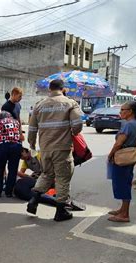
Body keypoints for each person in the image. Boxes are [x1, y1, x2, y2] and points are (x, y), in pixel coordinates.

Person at [27, 79, 83, 221]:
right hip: (62, 148)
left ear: (50, 89)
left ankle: (34, 200)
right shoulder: (70, 103)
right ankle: (61, 212)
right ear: (62, 88)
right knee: (63, 178)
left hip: (45, 149)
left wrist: (32, 145)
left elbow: (32, 129)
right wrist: (72, 132)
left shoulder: (39, 105)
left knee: (46, 174)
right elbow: (77, 125)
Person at [107, 102, 136, 222]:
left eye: (123, 109)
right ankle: (123, 209)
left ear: (130, 111)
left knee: (122, 184)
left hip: (123, 156)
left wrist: (111, 154)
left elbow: (119, 143)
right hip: (129, 155)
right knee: (125, 182)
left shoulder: (128, 124)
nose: (121, 112)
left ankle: (124, 214)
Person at [0, 111, 24, 197]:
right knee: (13, 170)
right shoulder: (16, 122)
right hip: (16, 146)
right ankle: (9, 192)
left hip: (3, 146)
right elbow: (21, 137)